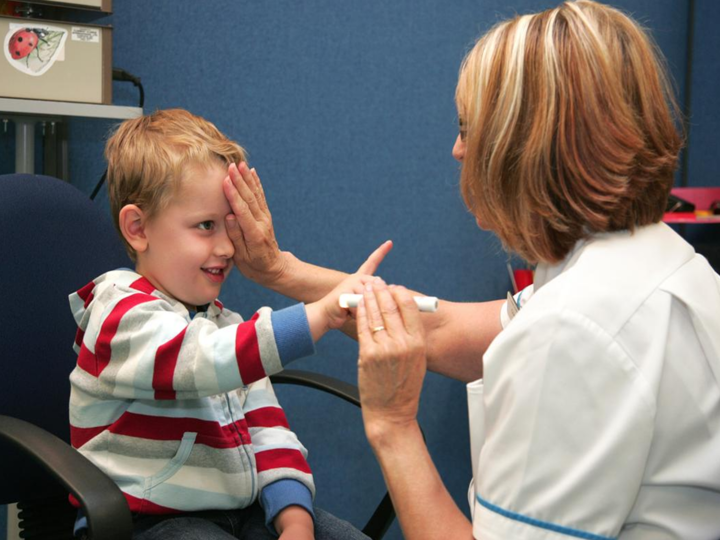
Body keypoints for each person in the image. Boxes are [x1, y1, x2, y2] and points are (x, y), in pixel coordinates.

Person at [222, 1, 720, 539]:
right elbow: (446, 329)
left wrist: (393, 425)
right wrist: (281, 271)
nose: (458, 150)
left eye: (468, 127)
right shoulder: (646, 263)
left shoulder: (576, 328)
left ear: (525, 145)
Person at [68, 109, 376, 540]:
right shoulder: (117, 311)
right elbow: (202, 360)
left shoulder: (224, 325)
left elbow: (270, 432)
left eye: (229, 226)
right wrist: (318, 315)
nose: (228, 247)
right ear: (138, 228)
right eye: (206, 226)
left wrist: (295, 522)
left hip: (243, 514)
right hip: (145, 520)